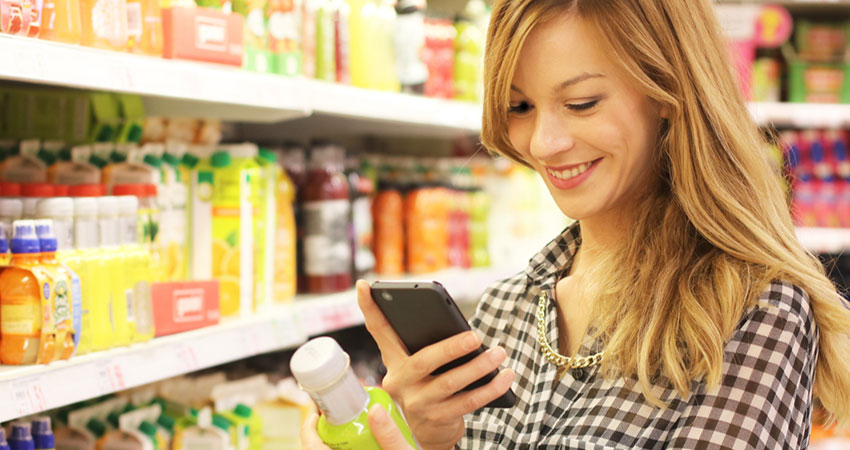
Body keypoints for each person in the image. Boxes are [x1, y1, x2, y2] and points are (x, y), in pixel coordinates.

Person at [302, 0, 850, 448]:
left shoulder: (752, 312)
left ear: (668, 92)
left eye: (582, 103)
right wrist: (428, 437)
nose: (544, 143)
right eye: (519, 107)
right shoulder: (503, 309)